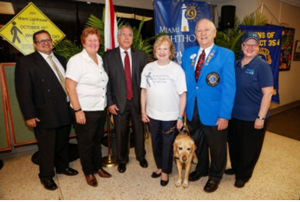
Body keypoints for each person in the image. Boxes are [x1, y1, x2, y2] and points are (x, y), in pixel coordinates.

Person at [15, 30, 78, 191]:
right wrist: (29, 115)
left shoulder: (61, 59)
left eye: (48, 40)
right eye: (41, 41)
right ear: (35, 44)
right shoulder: (26, 62)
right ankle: (46, 175)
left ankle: (63, 167)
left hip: (64, 109)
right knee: (46, 147)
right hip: (44, 112)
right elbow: (23, 92)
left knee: (63, 142)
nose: (45, 43)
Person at [182, 19, 236, 193]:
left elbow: (229, 87)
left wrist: (225, 115)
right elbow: (185, 84)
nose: (203, 33)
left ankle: (215, 176)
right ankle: (202, 169)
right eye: (199, 30)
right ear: (195, 34)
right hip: (192, 110)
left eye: (207, 30)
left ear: (214, 33)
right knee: (199, 143)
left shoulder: (226, 54)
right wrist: (182, 109)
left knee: (217, 146)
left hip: (214, 111)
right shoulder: (187, 53)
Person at [225, 32, 273, 188]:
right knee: (234, 145)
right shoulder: (235, 64)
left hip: (253, 117)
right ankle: (236, 167)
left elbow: (267, 93)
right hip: (234, 115)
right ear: (242, 46)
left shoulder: (262, 66)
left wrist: (261, 117)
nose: (250, 47)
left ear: (258, 48)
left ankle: (244, 175)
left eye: (254, 45)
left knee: (249, 148)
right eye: (247, 44)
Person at [65, 27, 111, 187]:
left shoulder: (99, 58)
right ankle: (89, 171)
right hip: (84, 110)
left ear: (99, 42)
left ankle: (98, 167)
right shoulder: (76, 60)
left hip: (99, 108)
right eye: (89, 40)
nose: (93, 42)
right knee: (85, 142)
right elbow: (69, 86)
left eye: (96, 40)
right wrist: (78, 110)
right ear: (83, 43)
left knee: (96, 140)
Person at [141, 35, 187, 186]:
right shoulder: (148, 68)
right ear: (155, 52)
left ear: (170, 51)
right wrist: (143, 111)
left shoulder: (177, 70)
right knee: (155, 144)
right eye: (159, 49)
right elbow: (143, 91)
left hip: (170, 116)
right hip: (152, 114)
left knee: (168, 145)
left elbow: (182, 95)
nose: (162, 52)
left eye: (165, 49)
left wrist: (180, 117)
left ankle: (166, 172)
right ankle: (160, 167)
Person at [103, 25, 148, 173]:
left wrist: (146, 103)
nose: (127, 37)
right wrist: (109, 102)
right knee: (121, 133)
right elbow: (106, 81)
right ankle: (122, 160)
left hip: (137, 101)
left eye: (129, 35)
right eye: (123, 34)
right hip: (118, 102)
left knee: (139, 131)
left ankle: (141, 156)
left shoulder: (141, 55)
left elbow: (146, 81)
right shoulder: (109, 56)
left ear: (132, 38)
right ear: (118, 38)